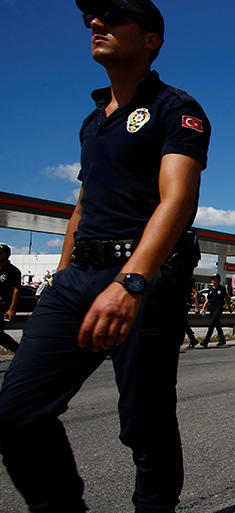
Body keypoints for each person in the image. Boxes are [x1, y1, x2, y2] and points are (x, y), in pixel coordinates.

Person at [0, 2, 210, 511]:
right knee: (16, 412)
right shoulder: (93, 121)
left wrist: (131, 281)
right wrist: (63, 273)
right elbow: (83, 202)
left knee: (145, 420)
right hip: (78, 279)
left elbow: (177, 200)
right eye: (91, 19)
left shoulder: (175, 107)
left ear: (151, 39)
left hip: (143, 276)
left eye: (113, 18)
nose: (96, 24)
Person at [0, 243, 22, 353]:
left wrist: (12, 309)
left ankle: (18, 350)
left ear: (7, 255)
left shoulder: (13, 271)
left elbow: (16, 290)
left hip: (3, 305)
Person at [200, 273, 230, 347]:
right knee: (217, 324)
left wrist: (230, 307)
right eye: (212, 279)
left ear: (218, 279)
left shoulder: (222, 288)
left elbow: (226, 298)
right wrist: (203, 308)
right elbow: (208, 299)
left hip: (219, 308)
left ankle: (206, 341)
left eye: (214, 278)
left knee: (212, 324)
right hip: (212, 308)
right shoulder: (210, 288)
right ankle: (222, 340)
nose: (212, 280)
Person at [185, 278, 200, 347]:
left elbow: (195, 293)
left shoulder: (189, 280)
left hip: (185, 303)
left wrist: (197, 307)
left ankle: (192, 339)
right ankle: (193, 339)